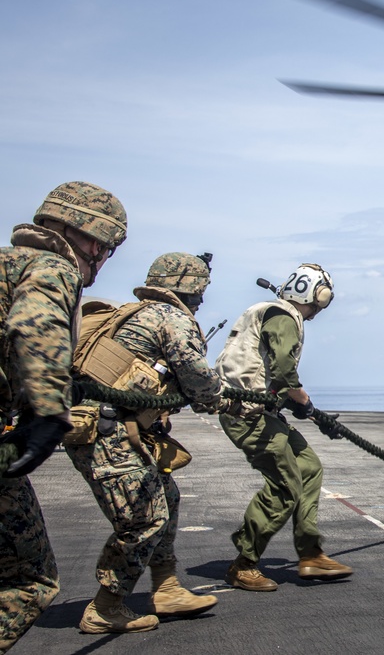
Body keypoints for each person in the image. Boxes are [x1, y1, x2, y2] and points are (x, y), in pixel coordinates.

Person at [65, 252, 223, 635]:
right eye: (200, 295)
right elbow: (200, 383)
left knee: (165, 497)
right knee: (145, 517)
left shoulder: (134, 313)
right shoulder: (173, 318)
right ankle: (106, 607)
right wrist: (224, 397)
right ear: (189, 291)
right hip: (108, 431)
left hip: (99, 426)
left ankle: (167, 588)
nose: (200, 302)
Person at [0, 181, 127, 653]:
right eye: (108, 250)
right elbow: (36, 322)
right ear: (93, 243)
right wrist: (49, 408)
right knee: (29, 582)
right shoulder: (51, 266)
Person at [216, 263, 352, 591]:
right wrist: (306, 404)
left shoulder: (268, 310)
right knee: (286, 486)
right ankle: (244, 564)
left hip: (260, 411)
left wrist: (311, 413)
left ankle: (310, 554)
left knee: (308, 467)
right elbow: (283, 372)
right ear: (319, 296)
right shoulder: (285, 318)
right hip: (248, 415)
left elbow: (270, 378)